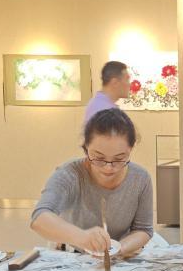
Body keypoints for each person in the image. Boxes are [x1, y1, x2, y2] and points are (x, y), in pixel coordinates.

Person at [31, 108, 153, 257]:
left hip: (120, 256)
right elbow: (39, 218)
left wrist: (117, 249)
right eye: (99, 158)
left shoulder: (140, 178)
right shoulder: (70, 174)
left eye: (119, 159)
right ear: (86, 148)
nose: (108, 167)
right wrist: (83, 238)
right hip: (74, 255)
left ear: (131, 148)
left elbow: (143, 230)